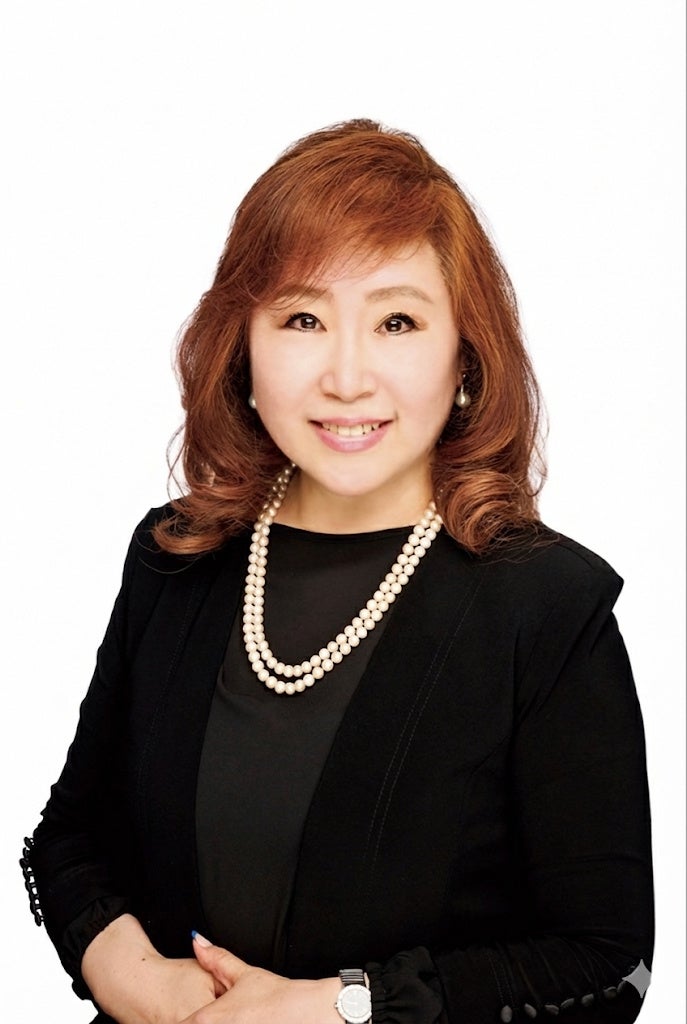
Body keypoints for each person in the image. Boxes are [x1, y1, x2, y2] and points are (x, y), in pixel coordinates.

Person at [21, 119, 654, 1024]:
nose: (347, 377)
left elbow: (605, 963)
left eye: (396, 321)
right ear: (243, 348)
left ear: (464, 355)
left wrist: (342, 1009)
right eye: (303, 319)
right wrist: (139, 983)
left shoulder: (548, 607)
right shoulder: (176, 557)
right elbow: (71, 838)